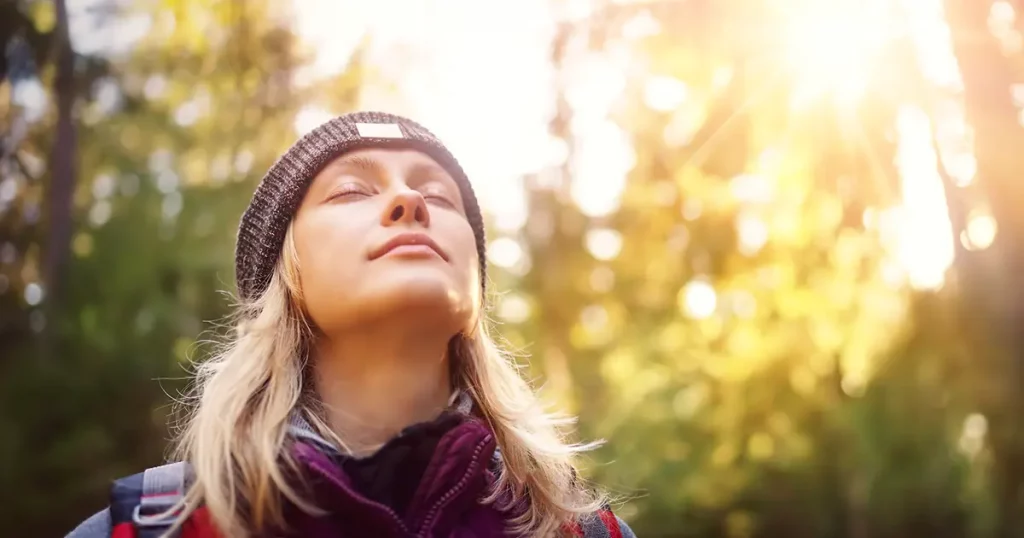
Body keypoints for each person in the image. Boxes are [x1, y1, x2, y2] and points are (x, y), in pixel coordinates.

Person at [67, 111, 635, 537]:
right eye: (351, 191)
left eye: (439, 195)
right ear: (285, 275)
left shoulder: (581, 530)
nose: (410, 200)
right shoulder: (150, 529)